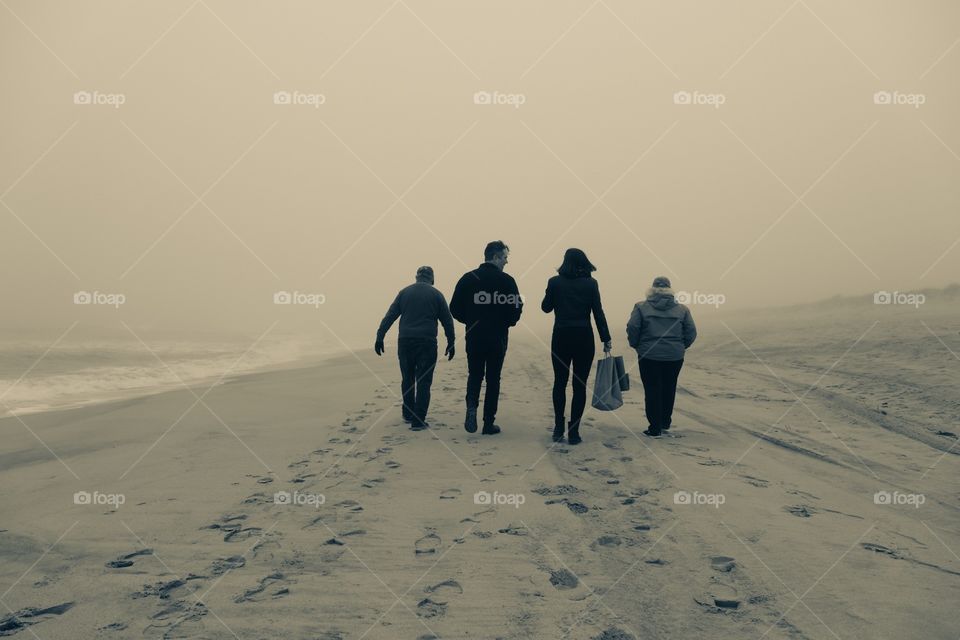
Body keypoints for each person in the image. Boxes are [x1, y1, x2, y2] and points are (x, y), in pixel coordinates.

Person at [450, 241, 523, 435]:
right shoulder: (507, 281)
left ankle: (471, 407)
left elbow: (454, 308)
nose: (507, 262)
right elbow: (516, 309)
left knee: (474, 374)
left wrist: (470, 320)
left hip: (474, 335)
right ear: (496, 257)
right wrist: (507, 322)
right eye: (505, 257)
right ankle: (488, 423)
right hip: (497, 336)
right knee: (493, 379)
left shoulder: (468, 278)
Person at [541, 248, 611, 445]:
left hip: (561, 336)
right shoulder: (591, 284)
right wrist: (606, 337)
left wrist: (551, 294)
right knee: (579, 385)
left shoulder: (555, 282)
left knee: (559, 383)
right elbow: (598, 312)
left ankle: (557, 428)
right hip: (584, 337)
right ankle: (574, 432)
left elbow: (545, 308)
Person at [375, 266, 455, 430]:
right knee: (424, 381)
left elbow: (390, 316)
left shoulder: (404, 292)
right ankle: (418, 420)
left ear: (416, 277)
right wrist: (451, 341)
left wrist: (380, 336)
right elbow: (447, 320)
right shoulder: (437, 294)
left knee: (407, 378)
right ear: (432, 279)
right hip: (427, 342)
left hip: (405, 342)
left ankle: (408, 413)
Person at [626, 276, 697, 438]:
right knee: (669, 387)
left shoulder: (641, 307)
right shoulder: (682, 310)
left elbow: (633, 327)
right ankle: (665, 422)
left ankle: (655, 427)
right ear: (670, 290)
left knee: (652, 389)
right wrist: (680, 347)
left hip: (648, 355)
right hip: (674, 356)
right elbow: (691, 332)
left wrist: (636, 345)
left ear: (652, 290)